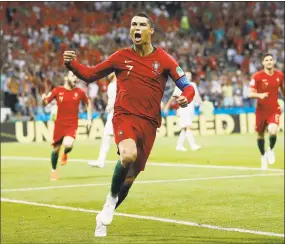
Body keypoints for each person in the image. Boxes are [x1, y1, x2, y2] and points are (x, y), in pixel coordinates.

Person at [63, 12, 195, 237]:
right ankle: (111, 199)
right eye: (134, 24)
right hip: (124, 116)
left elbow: (187, 86)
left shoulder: (164, 59)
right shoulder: (120, 56)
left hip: (150, 124)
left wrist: (186, 98)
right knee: (127, 155)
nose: (137, 27)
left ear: (150, 31)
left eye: (142, 24)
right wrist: (72, 64)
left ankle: (108, 206)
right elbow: (91, 74)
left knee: (130, 178)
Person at [42, 71, 92, 180]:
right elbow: (46, 102)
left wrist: (89, 118)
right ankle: (54, 170)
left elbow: (88, 103)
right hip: (59, 124)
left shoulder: (79, 92)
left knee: (68, 144)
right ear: (66, 78)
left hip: (72, 124)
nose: (76, 79)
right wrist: (43, 99)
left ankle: (65, 153)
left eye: (76, 77)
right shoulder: (57, 90)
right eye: (73, 76)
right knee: (55, 149)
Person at [249, 53, 284, 170]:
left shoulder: (280, 75)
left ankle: (270, 150)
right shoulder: (257, 76)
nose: (269, 62)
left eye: (271, 60)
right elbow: (250, 93)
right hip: (261, 111)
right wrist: (260, 95)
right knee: (260, 135)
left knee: (273, 130)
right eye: (266, 60)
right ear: (263, 63)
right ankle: (263, 156)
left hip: (274, 109)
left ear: (274, 62)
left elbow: (282, 90)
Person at [164, 72, 202, 151]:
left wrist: (202, 104)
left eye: (190, 75)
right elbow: (173, 97)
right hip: (183, 109)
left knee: (185, 128)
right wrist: (167, 107)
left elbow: (197, 96)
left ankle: (179, 146)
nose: (189, 77)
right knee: (187, 127)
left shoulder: (193, 85)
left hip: (191, 109)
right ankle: (193, 145)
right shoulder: (180, 85)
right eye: (187, 75)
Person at [88, 73, 117, 168]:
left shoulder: (119, 84)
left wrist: (111, 106)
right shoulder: (111, 85)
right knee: (107, 136)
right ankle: (101, 160)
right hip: (112, 113)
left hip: (117, 114)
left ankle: (101, 161)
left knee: (111, 137)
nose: (108, 74)